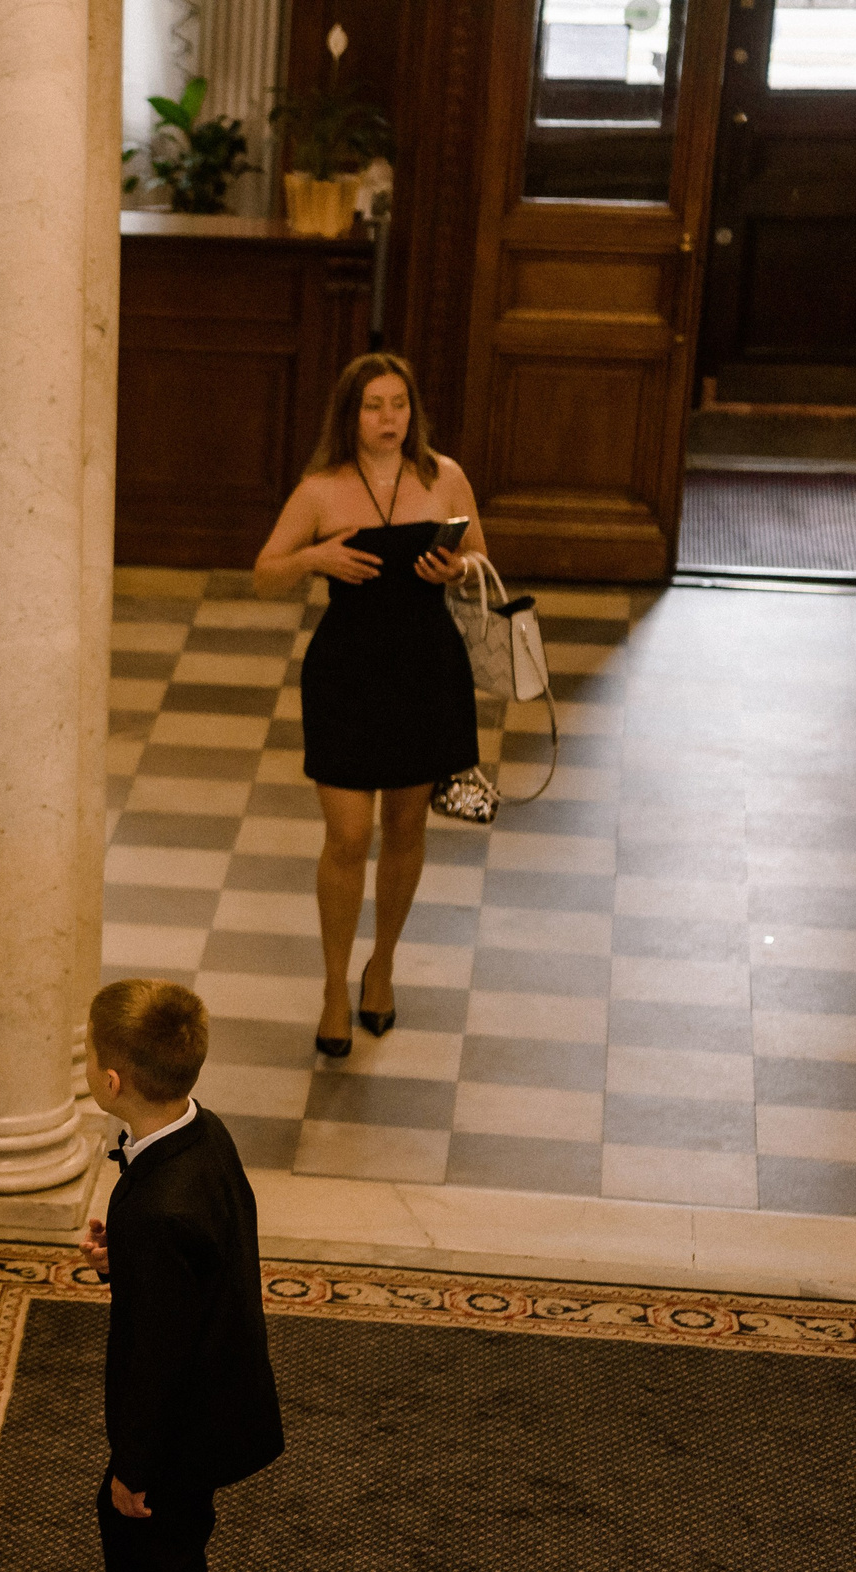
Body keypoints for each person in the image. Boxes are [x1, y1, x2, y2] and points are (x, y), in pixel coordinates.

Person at [34, 980, 283, 1572]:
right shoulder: (202, 1133)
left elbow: (157, 1357)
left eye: (87, 1056)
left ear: (110, 1081)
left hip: (183, 1426)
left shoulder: (163, 1209)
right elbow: (200, 1252)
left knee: (159, 1556)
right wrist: (129, 1257)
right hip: (213, 1386)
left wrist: (134, 1465)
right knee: (131, 1535)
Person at [252, 352, 484, 1058]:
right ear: (349, 415)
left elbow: (481, 559)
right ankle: (332, 983)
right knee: (349, 835)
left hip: (425, 668)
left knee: (407, 827)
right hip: (348, 671)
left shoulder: (441, 476)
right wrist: (314, 560)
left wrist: (456, 566)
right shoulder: (321, 489)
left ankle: (381, 965)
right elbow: (263, 574)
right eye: (374, 406)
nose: (389, 419)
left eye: (399, 404)